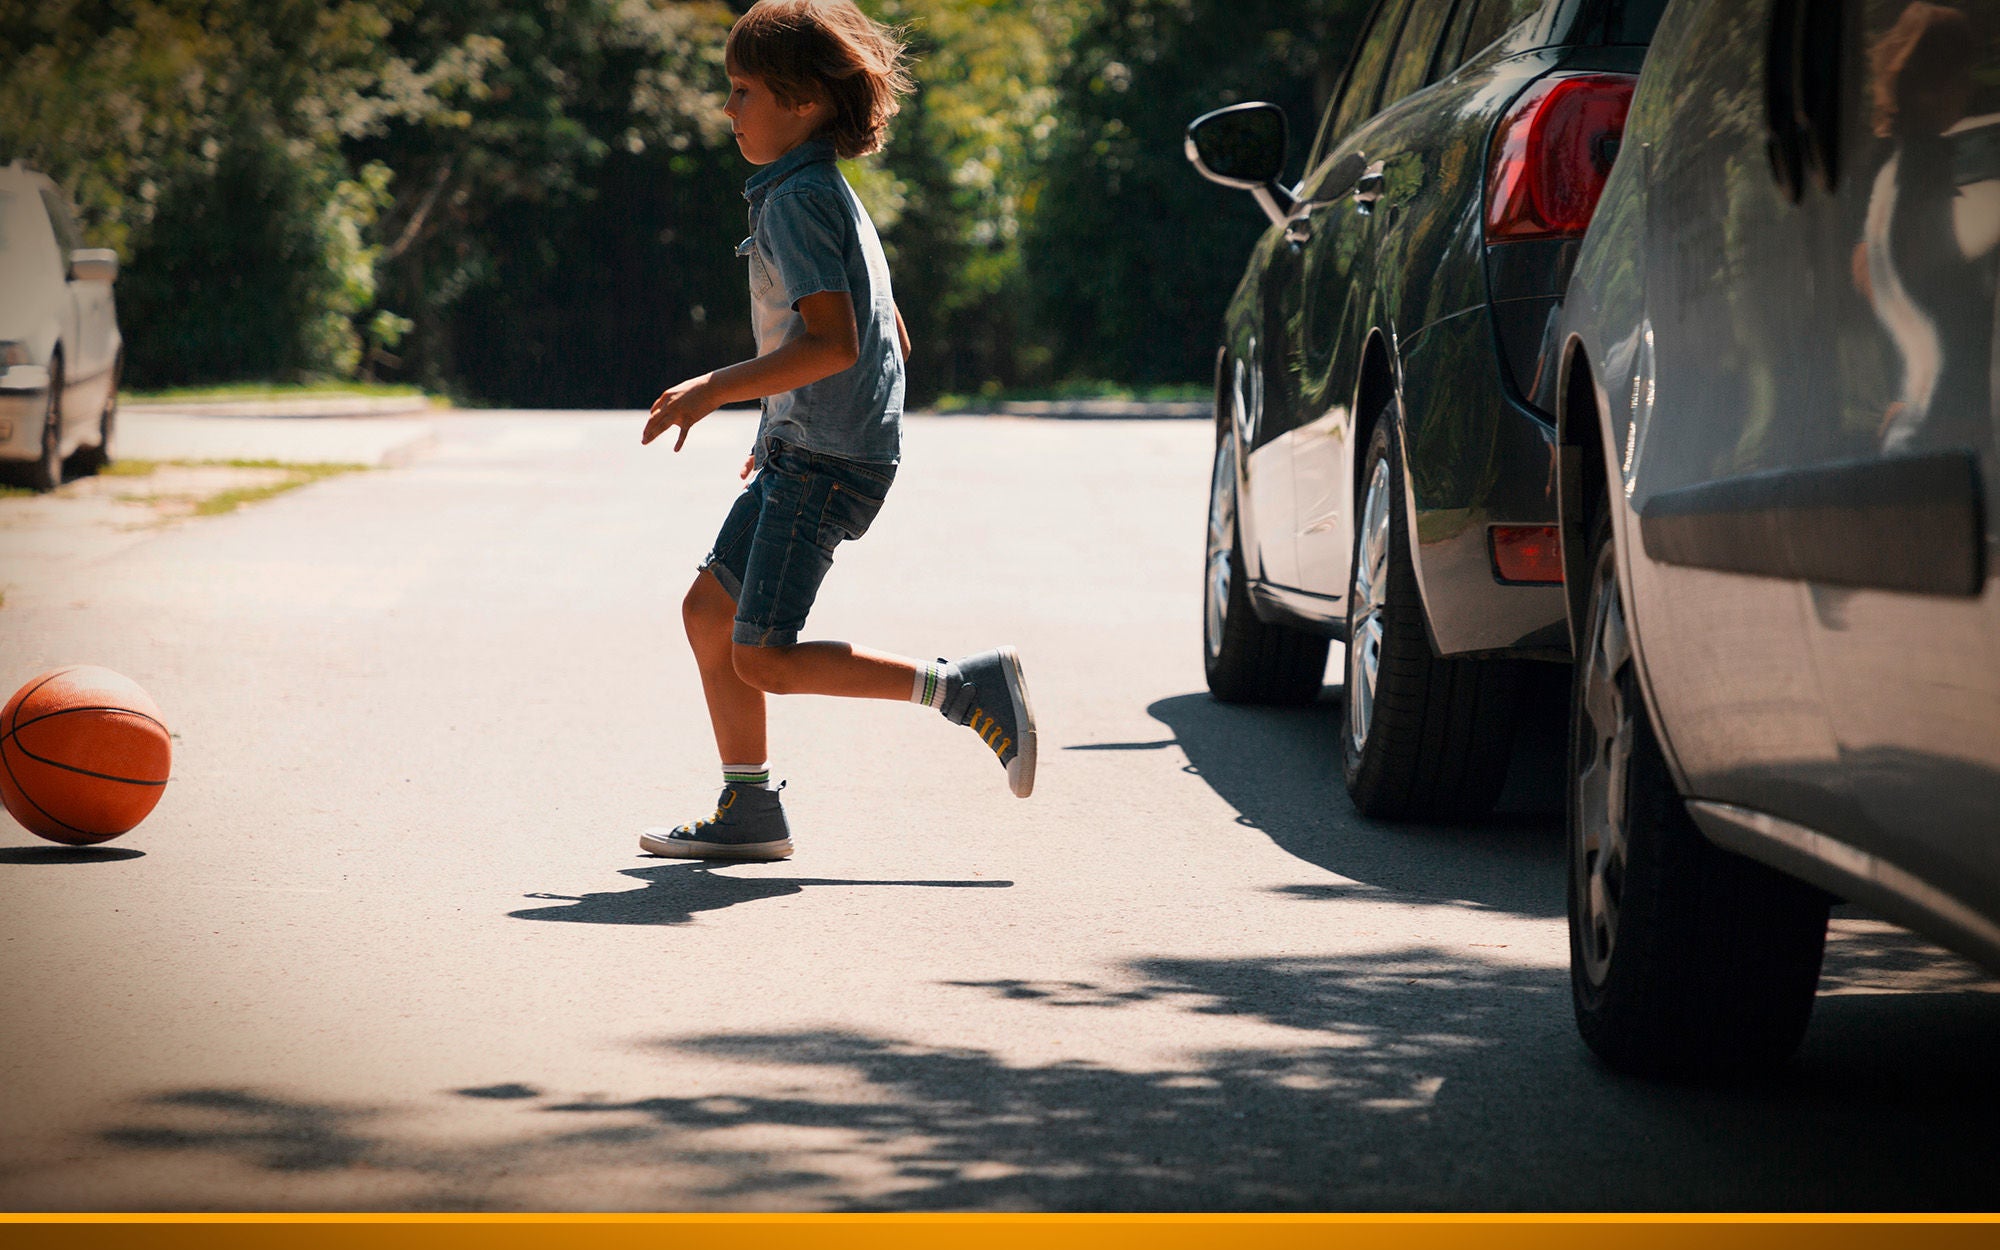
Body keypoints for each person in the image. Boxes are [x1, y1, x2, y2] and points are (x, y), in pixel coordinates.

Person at [638, 0, 1037, 862]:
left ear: (804, 102)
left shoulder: (800, 202)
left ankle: (965, 688)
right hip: (811, 448)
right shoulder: (814, 192)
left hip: (824, 460)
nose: (729, 109)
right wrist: (783, 421)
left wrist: (715, 390)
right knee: (711, 616)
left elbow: (837, 339)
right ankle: (749, 807)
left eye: (743, 91)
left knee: (765, 657)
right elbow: (888, 328)